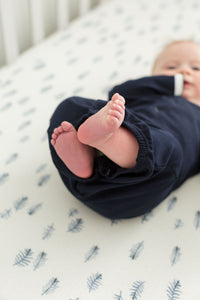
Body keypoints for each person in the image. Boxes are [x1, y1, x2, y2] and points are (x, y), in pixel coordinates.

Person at [47, 40, 200, 219]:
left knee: (168, 147)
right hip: (87, 184)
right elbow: (118, 92)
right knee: (71, 106)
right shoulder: (146, 94)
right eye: (171, 67)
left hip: (142, 189)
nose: (184, 71)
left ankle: (105, 140)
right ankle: (85, 158)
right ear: (153, 77)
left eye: (196, 68)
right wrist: (169, 84)